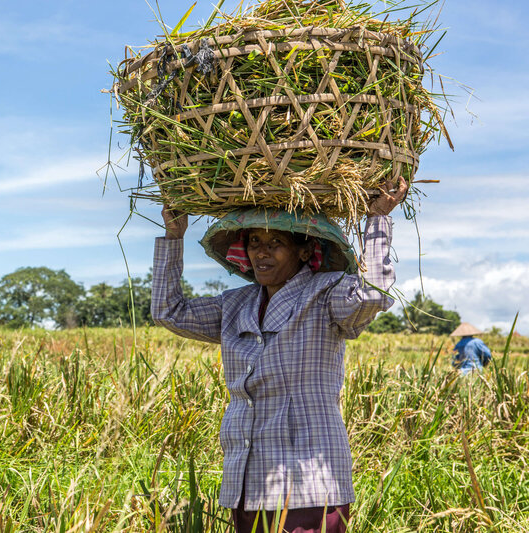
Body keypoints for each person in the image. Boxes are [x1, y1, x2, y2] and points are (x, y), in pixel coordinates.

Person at [151, 177, 408, 533]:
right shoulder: (236, 304)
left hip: (308, 483)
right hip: (248, 481)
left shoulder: (325, 294)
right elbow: (169, 311)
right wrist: (173, 237)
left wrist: (377, 219)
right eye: (255, 242)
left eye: (276, 243)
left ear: (304, 251)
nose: (261, 252)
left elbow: (373, 295)